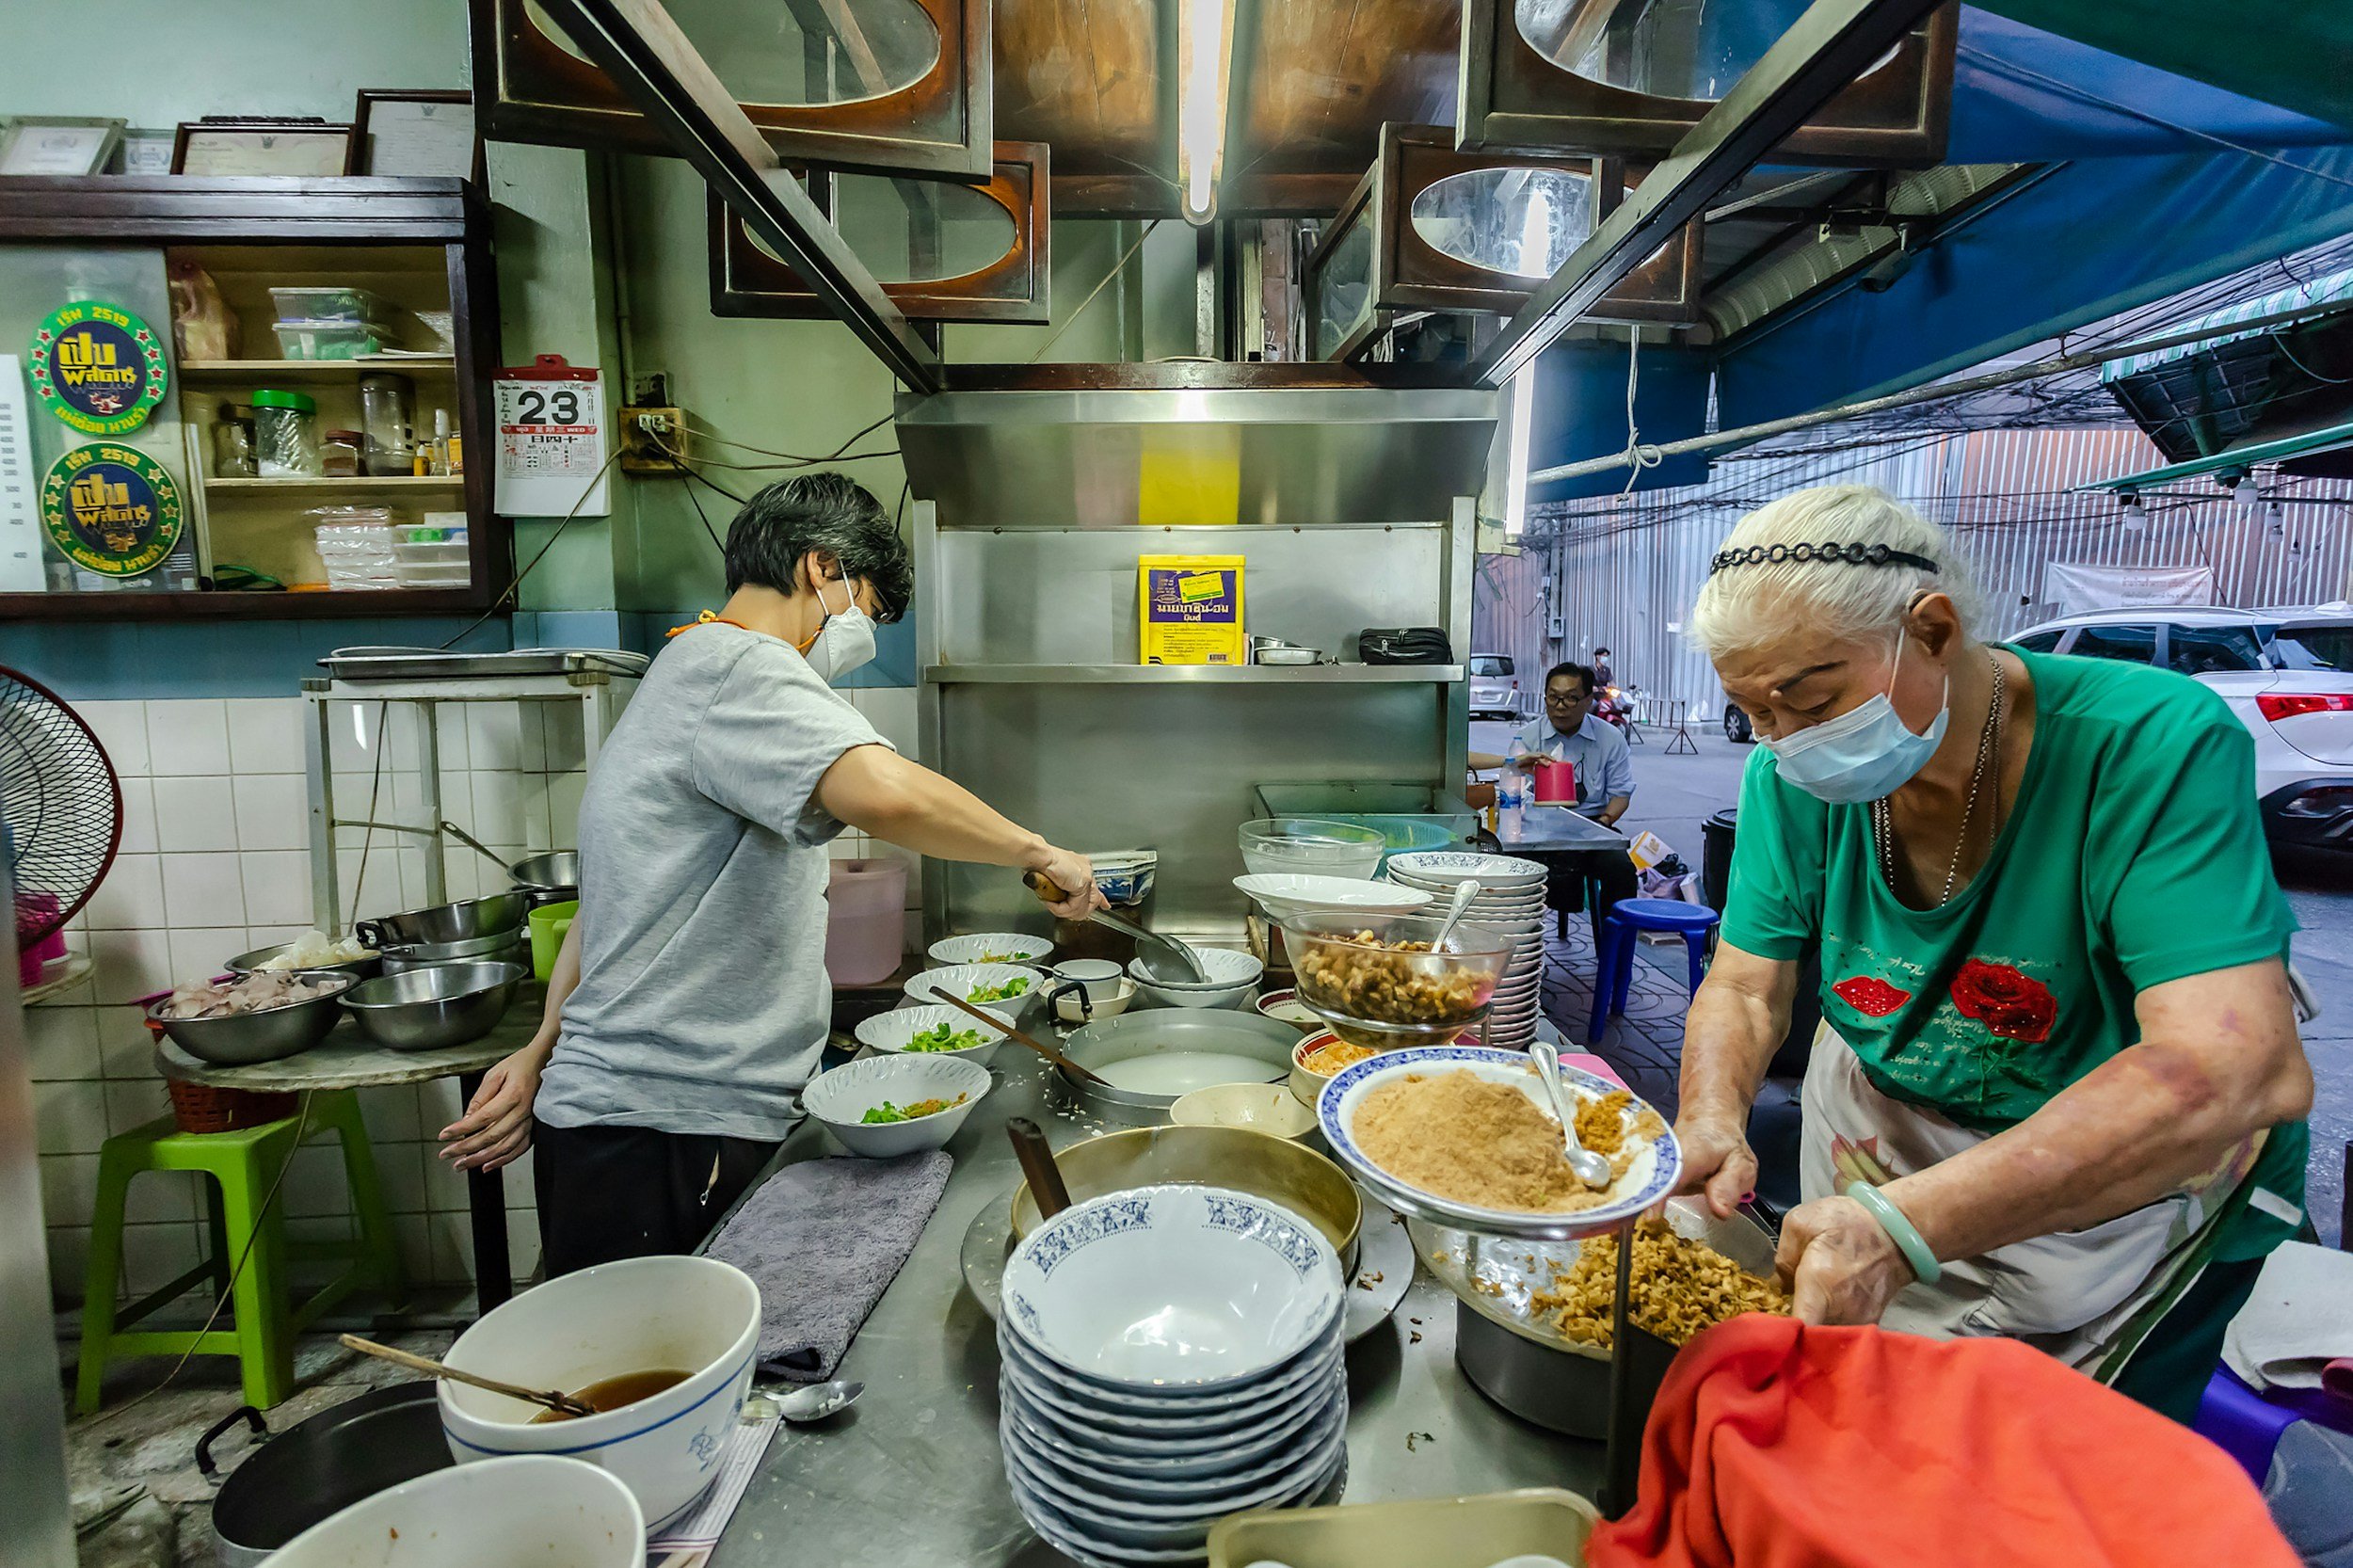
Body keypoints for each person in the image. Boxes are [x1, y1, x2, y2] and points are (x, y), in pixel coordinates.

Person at [1675, 484, 2311, 1421]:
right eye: (1753, 713)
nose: (1781, 743)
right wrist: (1710, 1116)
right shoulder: (1789, 777)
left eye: (1809, 701)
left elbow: (2225, 1067)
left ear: (1930, 630)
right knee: (1862, 1424)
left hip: (2113, 1186)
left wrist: (1901, 1227)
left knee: (2041, 1470)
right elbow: (1744, 986)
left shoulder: (2146, 744)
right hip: (1889, 1131)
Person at [436, 473, 1105, 1274]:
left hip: (627, 1115)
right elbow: (883, 793)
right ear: (822, 570)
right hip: (669, 1124)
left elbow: (605, 909)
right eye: (870, 609)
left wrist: (547, 1045)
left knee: (637, 1375)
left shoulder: (683, 668)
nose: (866, 636)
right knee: (662, 1377)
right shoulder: (739, 665)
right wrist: (1040, 852)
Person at [1470, 661, 1638, 938]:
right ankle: (1517, 943)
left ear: (1588, 700)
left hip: (1592, 826)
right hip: (1534, 831)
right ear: (1545, 697)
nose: (1561, 706)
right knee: (1503, 865)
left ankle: (1614, 954)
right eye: (1553, 697)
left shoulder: (1610, 738)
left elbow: (1621, 793)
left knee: (1620, 871)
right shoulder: (1527, 737)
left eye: (1571, 698)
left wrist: (1603, 823)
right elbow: (1513, 791)